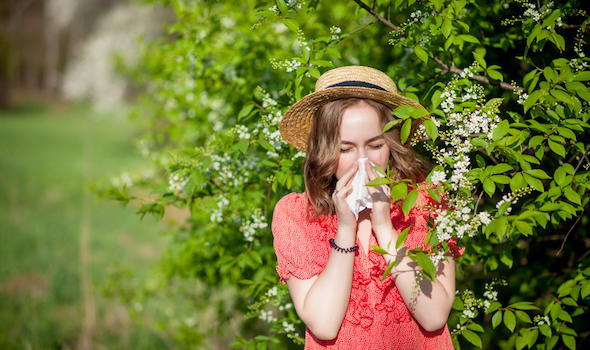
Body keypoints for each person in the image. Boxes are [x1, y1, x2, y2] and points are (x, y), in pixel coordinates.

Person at [272, 66, 463, 349]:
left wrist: (384, 226)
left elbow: (433, 316)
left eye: (375, 146)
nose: (363, 162)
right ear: (325, 151)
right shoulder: (297, 214)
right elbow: (324, 325)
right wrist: (346, 228)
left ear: (392, 145)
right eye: (345, 149)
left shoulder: (427, 201)